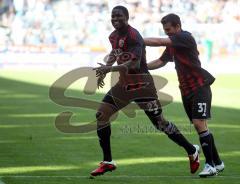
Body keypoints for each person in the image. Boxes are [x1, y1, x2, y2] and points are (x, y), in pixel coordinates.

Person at [91, 6, 200, 177]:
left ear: (127, 18)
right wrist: (107, 66)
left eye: (119, 16)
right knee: (101, 115)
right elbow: (114, 52)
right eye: (113, 16)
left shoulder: (134, 36)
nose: (115, 19)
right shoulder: (113, 36)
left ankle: (191, 149)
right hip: (124, 86)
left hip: (142, 86)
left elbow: (133, 64)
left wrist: (109, 70)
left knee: (160, 123)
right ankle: (108, 161)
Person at [144, 13, 224, 177]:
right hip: (186, 90)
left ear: (177, 26)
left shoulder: (185, 37)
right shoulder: (173, 43)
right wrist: (143, 67)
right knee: (201, 126)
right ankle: (218, 162)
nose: (167, 33)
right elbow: (161, 61)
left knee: (198, 124)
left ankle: (210, 166)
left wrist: (137, 40)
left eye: (169, 30)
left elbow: (159, 41)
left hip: (199, 86)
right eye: (165, 30)